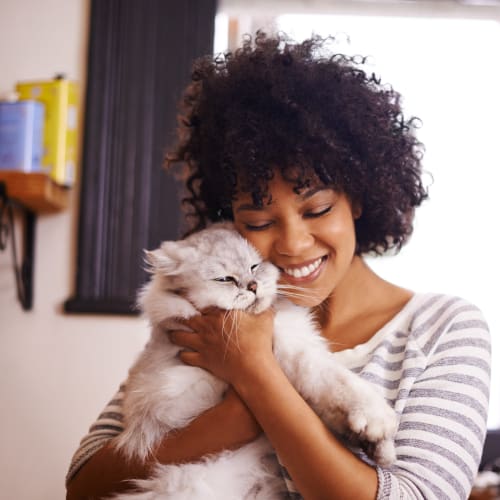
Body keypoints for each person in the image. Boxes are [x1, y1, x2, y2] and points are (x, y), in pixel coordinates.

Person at [66, 32, 491, 499]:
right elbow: (86, 483)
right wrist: (234, 416)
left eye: (317, 210)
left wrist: (254, 374)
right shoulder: (211, 320)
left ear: (361, 198)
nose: (291, 244)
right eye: (260, 220)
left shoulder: (444, 329)